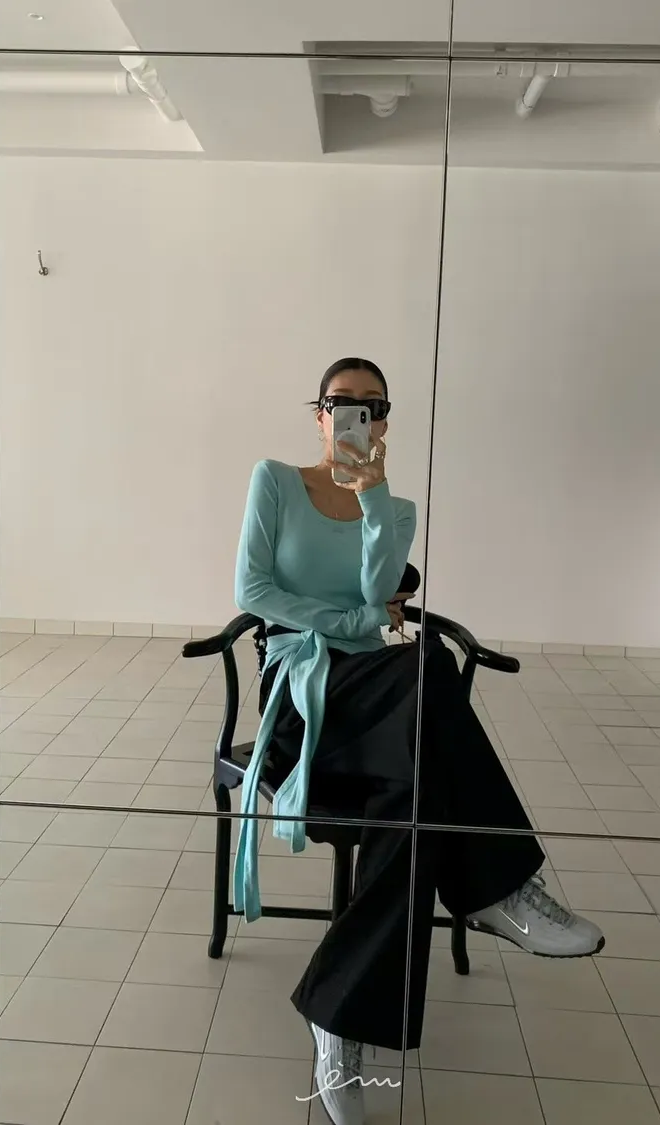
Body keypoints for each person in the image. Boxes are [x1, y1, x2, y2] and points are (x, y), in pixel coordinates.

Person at [233, 357, 604, 1125]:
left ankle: (336, 1022)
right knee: (425, 665)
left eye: (371, 405)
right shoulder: (274, 481)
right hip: (302, 689)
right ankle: (497, 888)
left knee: (412, 781)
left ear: (385, 420)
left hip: (377, 693)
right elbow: (254, 591)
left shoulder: (393, 508)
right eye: (341, 402)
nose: (355, 415)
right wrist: (347, 625)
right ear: (319, 413)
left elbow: (380, 596)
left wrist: (371, 501)